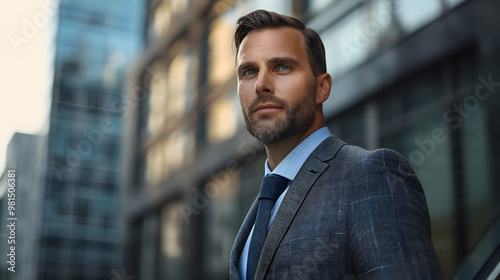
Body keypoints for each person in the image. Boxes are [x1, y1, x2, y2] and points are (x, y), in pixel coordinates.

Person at [229, 9, 443, 280]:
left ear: (322, 88)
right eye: (249, 71)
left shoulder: (371, 176)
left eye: (282, 67)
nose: (261, 84)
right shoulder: (257, 214)